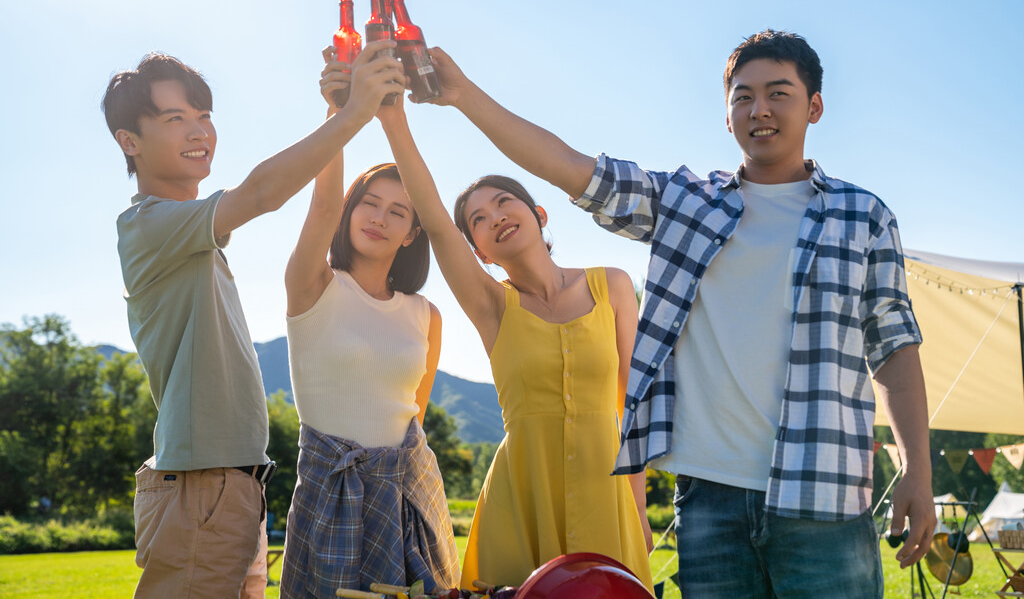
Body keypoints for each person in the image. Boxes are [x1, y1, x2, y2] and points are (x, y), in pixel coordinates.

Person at [415, 30, 937, 597]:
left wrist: (917, 468)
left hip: (825, 496)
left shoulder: (863, 216)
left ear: (813, 106)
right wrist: (463, 94)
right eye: (742, 97)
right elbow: (569, 166)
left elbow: (893, 347)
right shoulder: (687, 205)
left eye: (778, 93)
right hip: (710, 501)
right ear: (727, 115)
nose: (759, 109)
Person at [102, 43, 405, 598]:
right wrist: (358, 112)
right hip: (206, 486)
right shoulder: (148, 226)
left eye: (204, 116)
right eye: (176, 119)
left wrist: (338, 112)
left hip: (232, 486)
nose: (200, 132)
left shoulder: (191, 237)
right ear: (130, 142)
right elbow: (263, 192)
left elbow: (309, 205)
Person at [362, 63, 655, 591]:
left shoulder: (610, 285)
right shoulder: (492, 306)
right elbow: (430, 213)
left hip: (606, 495)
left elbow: (632, 405)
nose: (494, 216)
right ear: (477, 251)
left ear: (539, 213)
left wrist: (636, 503)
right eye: (477, 219)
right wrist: (393, 120)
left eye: (504, 202)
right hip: (521, 499)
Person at [278, 48, 459, 596]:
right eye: (369, 204)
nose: (379, 218)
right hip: (329, 493)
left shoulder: (425, 315)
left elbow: (415, 417)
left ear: (411, 233)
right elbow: (320, 208)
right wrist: (339, 112)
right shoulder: (314, 284)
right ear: (350, 210)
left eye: (398, 212)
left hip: (409, 493)